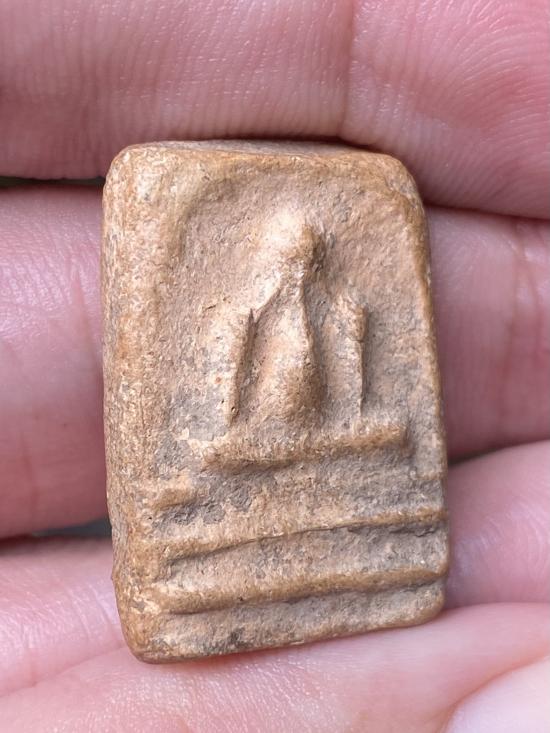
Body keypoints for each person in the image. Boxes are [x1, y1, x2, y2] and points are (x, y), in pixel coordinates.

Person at [0, 1, 548, 729]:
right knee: (217, 459)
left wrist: (347, 349)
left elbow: (358, 401)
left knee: (376, 444)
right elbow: (230, 405)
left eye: (309, 259)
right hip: (255, 441)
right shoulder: (245, 318)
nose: (301, 269)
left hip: (325, 439)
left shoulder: (340, 311)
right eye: (292, 258)